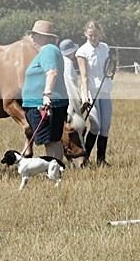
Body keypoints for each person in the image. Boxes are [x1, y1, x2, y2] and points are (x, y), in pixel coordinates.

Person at [21, 20, 68, 161]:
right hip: (43, 103)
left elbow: (52, 72)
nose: (32, 38)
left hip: (44, 104)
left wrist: (47, 95)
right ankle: (56, 168)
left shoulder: (48, 50)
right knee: (53, 139)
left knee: (50, 140)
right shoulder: (47, 51)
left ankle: (53, 169)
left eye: (34, 34)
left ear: (41, 36)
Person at [76, 21, 114, 166]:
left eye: (96, 35)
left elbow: (109, 69)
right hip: (91, 91)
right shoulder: (82, 51)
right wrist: (86, 97)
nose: (93, 38)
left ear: (99, 34)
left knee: (105, 126)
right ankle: (85, 158)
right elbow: (84, 76)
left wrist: (113, 63)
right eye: (90, 35)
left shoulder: (105, 47)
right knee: (96, 125)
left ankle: (101, 159)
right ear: (85, 33)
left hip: (104, 89)